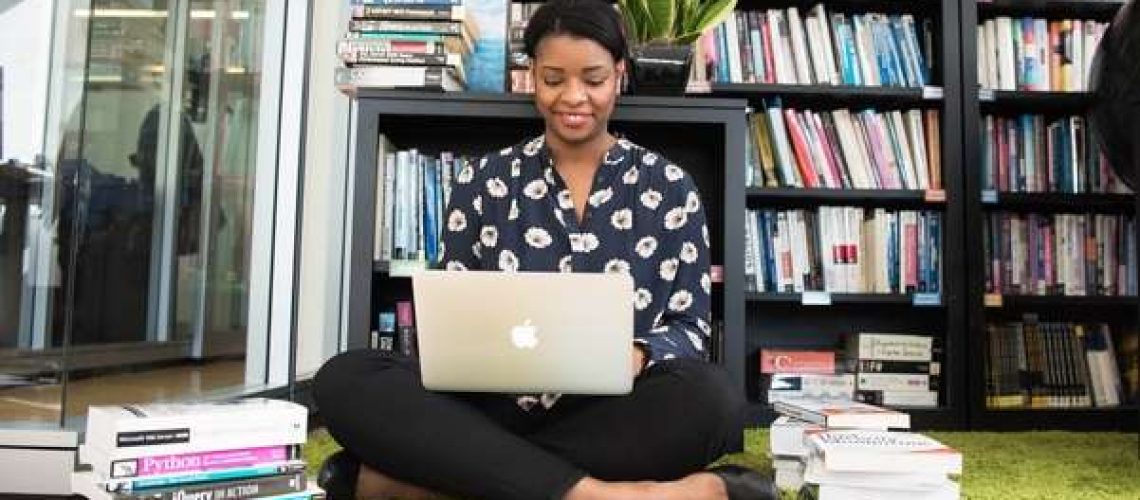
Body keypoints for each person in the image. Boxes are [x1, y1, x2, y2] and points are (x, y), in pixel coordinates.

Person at [313, 1, 775, 498]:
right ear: (530, 74)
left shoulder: (670, 185)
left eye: (593, 79)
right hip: (487, 406)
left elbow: (691, 329)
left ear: (619, 75)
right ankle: (599, 493)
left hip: (613, 411)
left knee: (713, 399)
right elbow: (448, 317)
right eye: (553, 79)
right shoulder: (483, 180)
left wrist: (639, 355)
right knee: (346, 378)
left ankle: (437, 482)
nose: (573, 97)